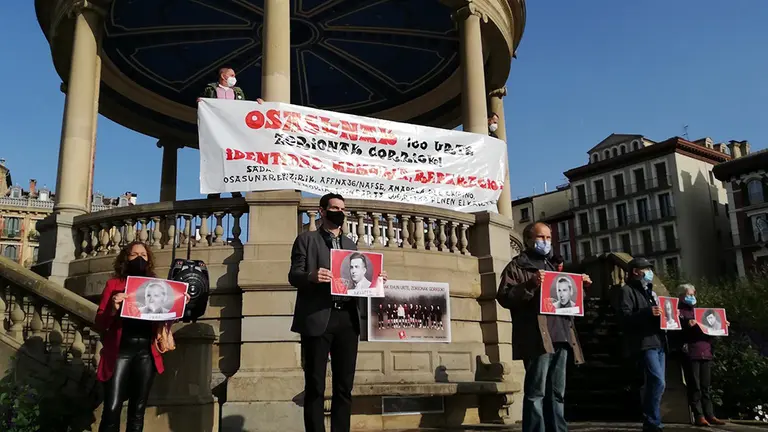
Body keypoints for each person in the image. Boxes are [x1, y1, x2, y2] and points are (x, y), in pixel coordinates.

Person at [289, 193, 387, 432]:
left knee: (344, 386)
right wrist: (311, 276)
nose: (339, 212)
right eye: (334, 207)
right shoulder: (306, 240)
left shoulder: (351, 245)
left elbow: (357, 281)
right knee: (315, 385)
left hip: (347, 319)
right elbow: (293, 275)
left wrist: (377, 279)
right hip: (318, 317)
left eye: (343, 208)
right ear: (322, 211)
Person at [496, 221, 592, 432]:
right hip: (537, 338)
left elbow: (568, 302)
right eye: (541, 237)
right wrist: (529, 284)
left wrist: (581, 288)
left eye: (549, 238)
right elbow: (504, 297)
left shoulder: (554, 265)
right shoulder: (517, 266)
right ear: (529, 240)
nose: (546, 242)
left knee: (557, 392)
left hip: (562, 336)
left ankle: (558, 429)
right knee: (536, 392)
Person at [95, 241, 189, 432]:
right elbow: (100, 323)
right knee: (112, 408)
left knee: (137, 412)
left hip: (146, 353)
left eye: (144, 255)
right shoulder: (114, 284)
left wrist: (179, 304)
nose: (139, 258)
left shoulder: (157, 285)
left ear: (149, 260)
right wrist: (113, 308)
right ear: (125, 257)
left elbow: (166, 320)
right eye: (134, 254)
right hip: (120, 352)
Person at [616, 258, 666, 432]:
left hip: (658, 342)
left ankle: (652, 420)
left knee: (657, 383)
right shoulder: (627, 291)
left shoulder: (651, 292)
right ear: (635, 271)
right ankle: (652, 421)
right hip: (645, 343)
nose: (650, 272)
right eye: (646, 268)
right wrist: (646, 312)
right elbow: (624, 317)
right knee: (657, 381)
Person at [677, 284, 727, 426]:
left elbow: (710, 331)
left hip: (705, 351)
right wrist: (687, 324)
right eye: (689, 294)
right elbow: (675, 330)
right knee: (695, 386)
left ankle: (710, 414)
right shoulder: (679, 312)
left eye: (693, 294)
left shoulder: (701, 311)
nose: (692, 297)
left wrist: (722, 325)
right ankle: (699, 415)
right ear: (681, 296)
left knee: (706, 386)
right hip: (691, 352)